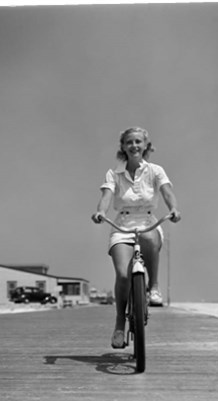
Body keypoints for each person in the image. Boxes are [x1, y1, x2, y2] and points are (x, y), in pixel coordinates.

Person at [92, 127, 181, 349]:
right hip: (122, 225)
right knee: (122, 275)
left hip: (148, 221)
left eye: (138, 142)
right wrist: (101, 212)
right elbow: (106, 196)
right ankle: (120, 325)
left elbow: (167, 193)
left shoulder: (155, 170)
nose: (134, 146)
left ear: (145, 146)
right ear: (123, 147)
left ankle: (154, 287)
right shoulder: (114, 174)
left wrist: (174, 209)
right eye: (129, 142)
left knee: (150, 239)